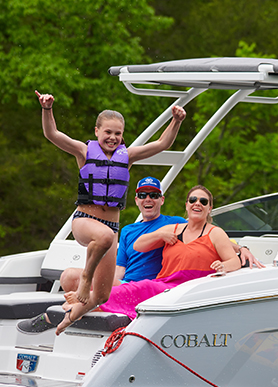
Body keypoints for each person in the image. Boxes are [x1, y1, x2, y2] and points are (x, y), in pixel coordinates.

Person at [35, 90, 185, 323]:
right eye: (107, 132)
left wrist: (176, 121)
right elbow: (52, 134)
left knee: (102, 296)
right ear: (97, 131)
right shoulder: (84, 151)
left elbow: (162, 143)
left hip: (110, 227)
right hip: (85, 221)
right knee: (104, 237)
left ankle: (56, 320)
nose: (112, 137)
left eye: (118, 133)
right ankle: (86, 278)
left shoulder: (128, 156)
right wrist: (47, 109)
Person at [56, 185, 240, 333]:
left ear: (210, 208)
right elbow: (139, 245)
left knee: (144, 286)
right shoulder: (174, 228)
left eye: (203, 201)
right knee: (132, 286)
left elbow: (234, 261)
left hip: (186, 288)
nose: (197, 203)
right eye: (193, 200)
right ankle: (83, 304)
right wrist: (160, 235)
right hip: (165, 283)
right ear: (186, 205)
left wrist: (224, 265)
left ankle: (81, 305)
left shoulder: (215, 233)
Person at [58, 176, 263, 291]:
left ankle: (82, 306)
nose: (149, 199)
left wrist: (241, 248)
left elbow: (208, 236)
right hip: (125, 280)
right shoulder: (128, 230)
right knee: (69, 277)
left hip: (154, 283)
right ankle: (82, 315)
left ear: (161, 200)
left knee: (99, 288)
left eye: (154, 195)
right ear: (136, 200)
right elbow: (120, 269)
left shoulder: (176, 224)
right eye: (143, 195)